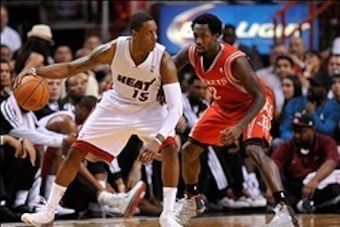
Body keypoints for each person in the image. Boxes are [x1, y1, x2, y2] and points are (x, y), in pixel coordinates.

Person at [19, 12, 183, 227]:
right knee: (77, 150)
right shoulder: (113, 50)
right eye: (149, 33)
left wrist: (158, 138)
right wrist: (35, 71)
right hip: (115, 105)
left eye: (155, 32)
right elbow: (71, 68)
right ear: (135, 35)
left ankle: (168, 214)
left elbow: (176, 108)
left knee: (170, 149)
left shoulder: (163, 60)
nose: (155, 37)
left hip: (149, 109)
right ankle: (48, 212)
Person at [172, 13, 298, 227]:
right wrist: (159, 87)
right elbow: (169, 67)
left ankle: (284, 209)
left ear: (217, 36)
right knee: (188, 151)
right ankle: (193, 200)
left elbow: (259, 95)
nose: (199, 41)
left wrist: (239, 127)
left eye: (204, 36)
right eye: (196, 36)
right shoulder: (192, 53)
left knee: (253, 150)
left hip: (254, 103)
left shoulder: (235, 60)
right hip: (223, 105)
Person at [271, 111, 340, 213]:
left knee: (334, 190)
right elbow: (273, 164)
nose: (297, 135)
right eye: (294, 131)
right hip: (296, 186)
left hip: (318, 185)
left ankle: (307, 205)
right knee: (280, 188)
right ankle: (302, 205)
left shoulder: (326, 142)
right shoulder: (287, 146)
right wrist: (271, 186)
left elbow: (331, 162)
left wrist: (314, 180)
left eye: (301, 131)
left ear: (311, 129)